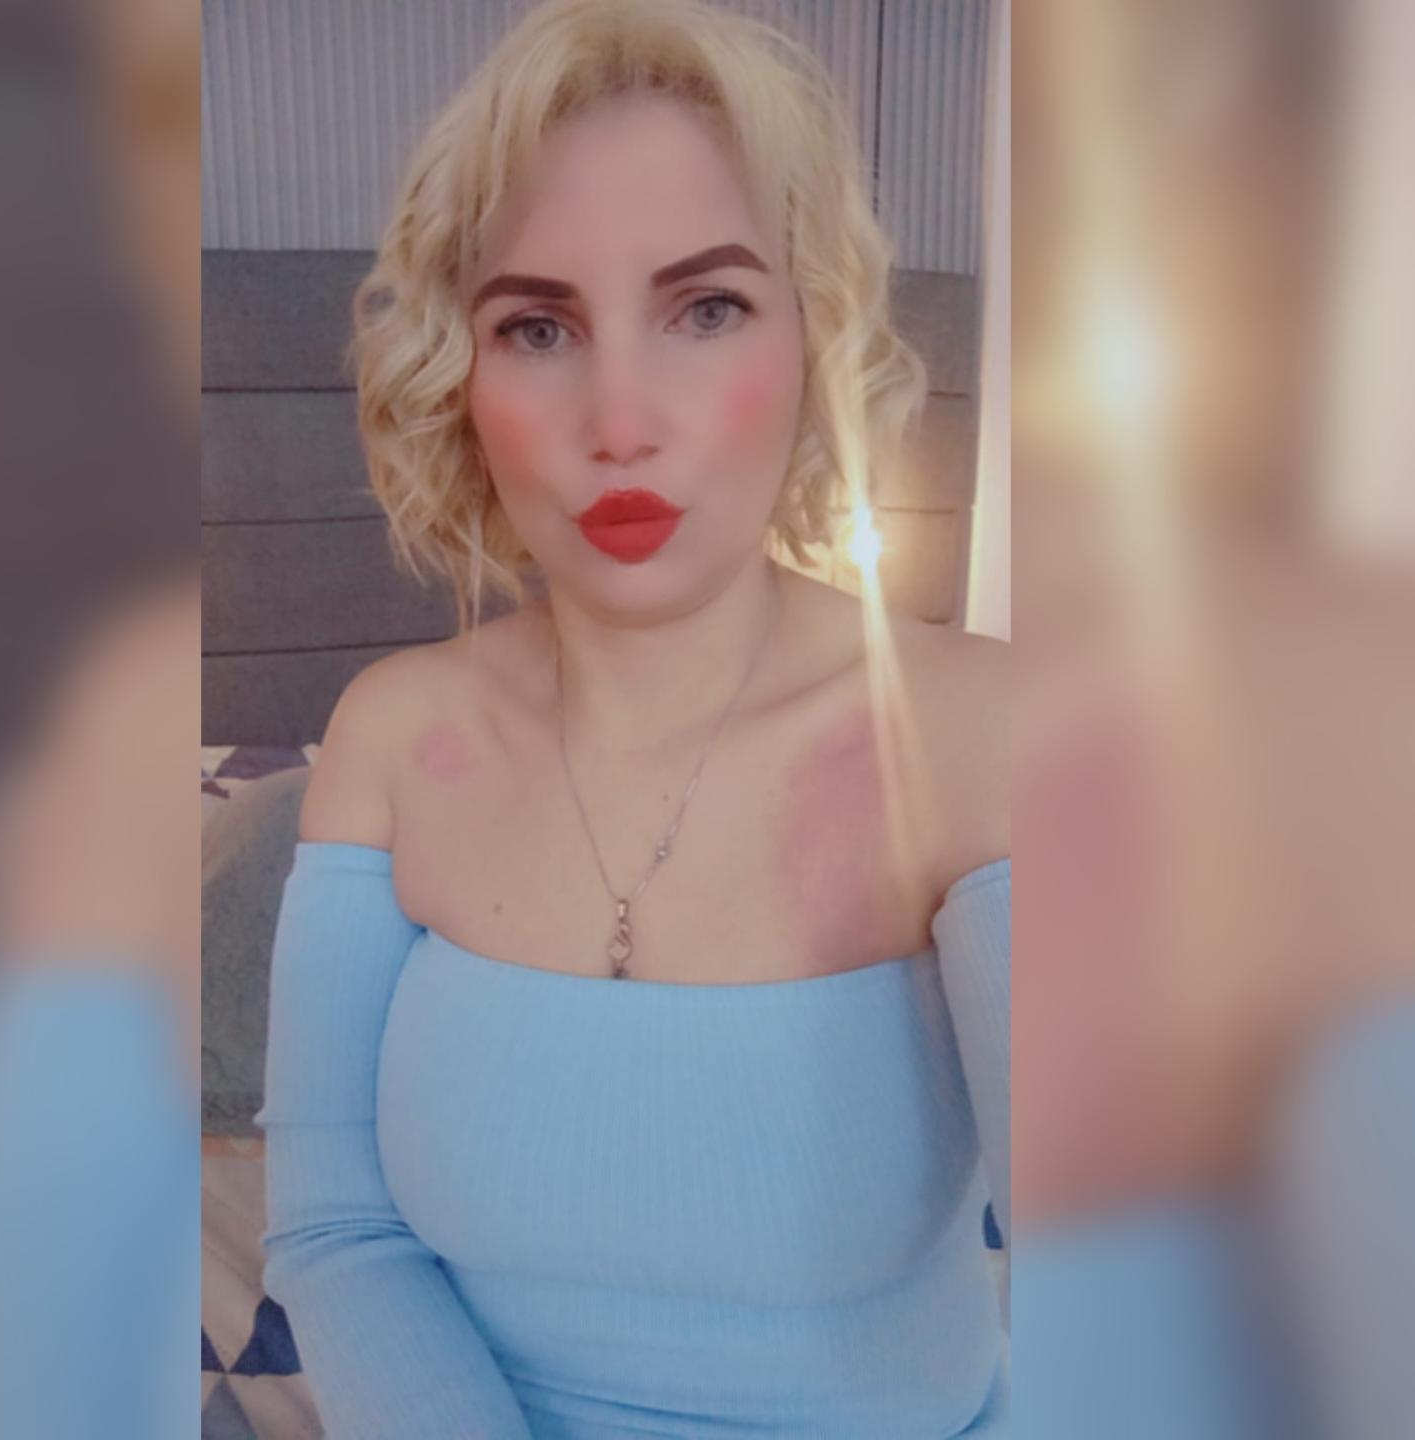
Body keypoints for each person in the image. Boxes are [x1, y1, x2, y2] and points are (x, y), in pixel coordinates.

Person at [257, 1, 1009, 1434]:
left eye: (706, 308)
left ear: (813, 335)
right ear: (460, 378)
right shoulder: (391, 740)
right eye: (537, 327)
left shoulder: (975, 733)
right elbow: (336, 1235)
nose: (620, 419)